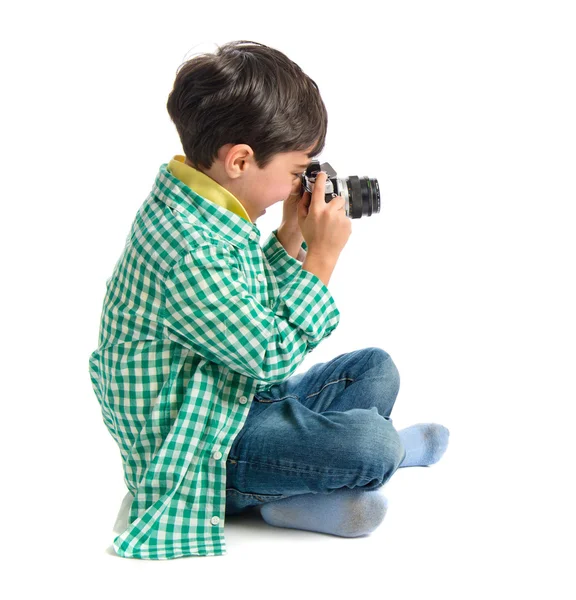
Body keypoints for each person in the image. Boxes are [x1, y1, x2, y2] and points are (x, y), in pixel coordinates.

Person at [88, 40, 449, 561]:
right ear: (240, 160)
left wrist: (290, 236)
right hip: (201, 450)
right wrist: (321, 260)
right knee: (373, 445)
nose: (299, 185)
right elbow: (267, 352)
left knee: (375, 368)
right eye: (297, 171)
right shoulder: (189, 249)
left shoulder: (200, 206)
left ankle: (297, 497)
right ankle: (328, 478)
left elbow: (245, 306)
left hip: (229, 399)